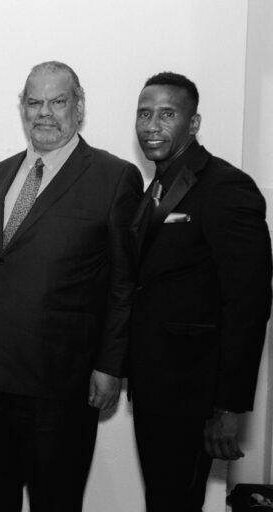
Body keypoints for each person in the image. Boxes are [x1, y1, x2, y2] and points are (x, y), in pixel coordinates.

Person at [0, 61, 143, 511]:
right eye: (34, 102)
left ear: (79, 106)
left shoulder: (113, 177)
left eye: (58, 101)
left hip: (60, 385)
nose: (45, 113)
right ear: (22, 108)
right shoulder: (1, 173)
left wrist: (111, 365)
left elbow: (123, 282)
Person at [129, 72, 272, 511]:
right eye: (144, 114)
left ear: (193, 123)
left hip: (195, 396)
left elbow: (248, 305)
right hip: (154, 388)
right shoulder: (155, 187)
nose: (152, 125)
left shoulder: (226, 187)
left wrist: (228, 408)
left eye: (167, 114)